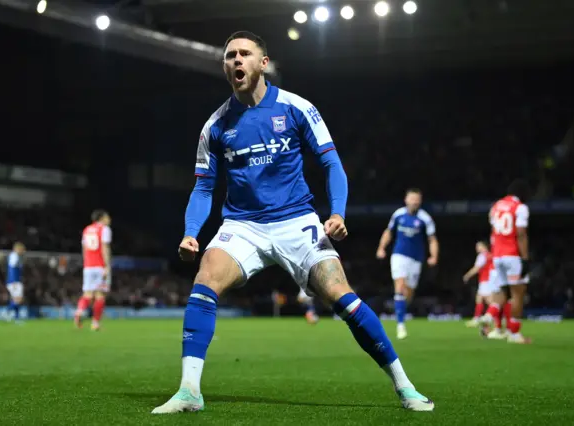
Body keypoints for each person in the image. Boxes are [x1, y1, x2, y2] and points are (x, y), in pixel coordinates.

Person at [152, 31, 434, 415]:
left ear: (262, 63)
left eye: (244, 54)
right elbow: (203, 188)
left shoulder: (297, 107)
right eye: (230, 55)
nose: (236, 60)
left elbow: (331, 163)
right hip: (243, 225)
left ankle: (405, 387)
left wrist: (337, 212)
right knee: (205, 280)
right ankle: (189, 392)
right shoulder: (215, 126)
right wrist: (190, 234)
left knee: (341, 295)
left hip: (296, 220)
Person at [376, 189, 439, 339]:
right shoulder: (398, 215)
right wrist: (381, 248)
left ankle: (401, 310)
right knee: (400, 286)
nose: (414, 202)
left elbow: (432, 239)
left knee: (409, 293)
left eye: (417, 199)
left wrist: (434, 256)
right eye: (412, 199)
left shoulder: (425, 218)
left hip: (416, 259)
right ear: (406, 200)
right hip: (399, 255)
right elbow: (388, 232)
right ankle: (400, 325)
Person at [482, 180, 531, 344]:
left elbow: (494, 230)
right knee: (518, 293)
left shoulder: (496, 206)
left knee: (502, 292)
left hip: (497, 255)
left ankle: (490, 316)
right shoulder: (520, 207)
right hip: (512, 255)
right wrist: (525, 258)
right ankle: (514, 334)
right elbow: (521, 233)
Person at [75, 209, 112, 331]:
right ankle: (95, 323)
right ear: (101, 218)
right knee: (100, 295)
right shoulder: (104, 229)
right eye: (107, 217)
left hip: (88, 266)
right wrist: (106, 265)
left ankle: (79, 311)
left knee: (87, 294)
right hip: (99, 265)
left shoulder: (86, 230)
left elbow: (84, 249)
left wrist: (86, 264)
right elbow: (104, 247)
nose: (109, 219)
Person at [462, 241, 496, 327]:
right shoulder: (491, 255)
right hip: (491, 280)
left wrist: (467, 275)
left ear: (484, 246)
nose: (477, 248)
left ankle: (494, 317)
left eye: (478, 246)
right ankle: (478, 318)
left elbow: (476, 268)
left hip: (485, 280)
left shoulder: (482, 256)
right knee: (480, 298)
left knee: (490, 301)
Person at [5, 242, 26, 322]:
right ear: (17, 249)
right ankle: (6, 312)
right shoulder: (14, 256)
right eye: (22, 249)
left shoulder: (17, 256)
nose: (23, 251)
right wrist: (13, 281)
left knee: (16, 300)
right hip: (14, 281)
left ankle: (16, 318)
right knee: (19, 299)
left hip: (16, 280)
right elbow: (11, 269)